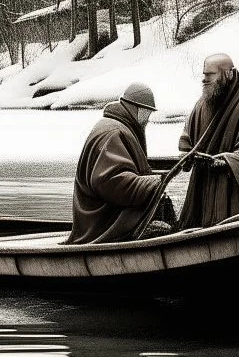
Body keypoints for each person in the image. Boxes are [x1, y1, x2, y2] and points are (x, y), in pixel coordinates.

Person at [177, 53, 239, 228]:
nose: (205, 80)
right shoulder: (201, 106)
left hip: (236, 196)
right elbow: (187, 138)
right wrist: (186, 155)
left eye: (211, 75)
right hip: (202, 192)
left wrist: (228, 160)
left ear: (229, 74)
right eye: (204, 75)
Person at [66, 82, 175, 244]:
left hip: (105, 219)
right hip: (103, 226)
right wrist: (155, 184)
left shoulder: (116, 126)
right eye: (148, 113)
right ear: (139, 109)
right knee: (164, 216)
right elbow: (109, 180)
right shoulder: (113, 132)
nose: (148, 120)